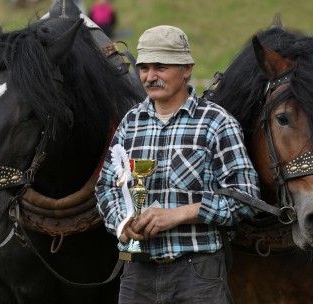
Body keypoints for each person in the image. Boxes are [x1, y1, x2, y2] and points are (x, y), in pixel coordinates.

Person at [95, 25, 260, 304]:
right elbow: (106, 188)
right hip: (136, 273)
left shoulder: (216, 123)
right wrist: (122, 223)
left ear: (187, 69)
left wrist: (179, 214)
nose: (150, 76)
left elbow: (246, 197)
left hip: (197, 274)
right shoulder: (130, 123)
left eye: (161, 67)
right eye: (144, 67)